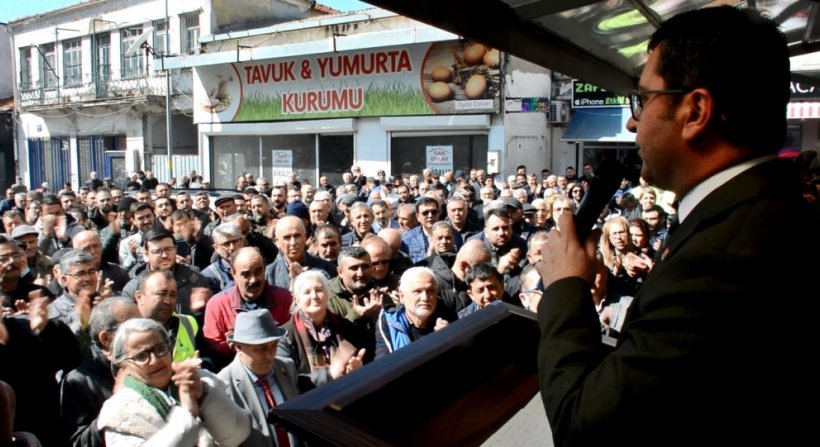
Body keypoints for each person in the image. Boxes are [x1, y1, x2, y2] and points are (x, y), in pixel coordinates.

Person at [537, 7, 818, 446]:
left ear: (696, 111)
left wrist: (566, 288)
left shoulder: (725, 258)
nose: (632, 121)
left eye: (644, 99)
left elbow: (582, 426)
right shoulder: (763, 211)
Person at [98, 318, 251, 446]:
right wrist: (187, 414)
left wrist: (204, 395)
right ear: (124, 365)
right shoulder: (117, 411)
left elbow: (238, 435)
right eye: (141, 356)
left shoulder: (198, 378)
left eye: (160, 349)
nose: (155, 360)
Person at [60, 296, 140, 447]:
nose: (144, 333)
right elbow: (78, 442)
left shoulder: (149, 363)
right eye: (133, 328)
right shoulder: (77, 381)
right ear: (106, 338)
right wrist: (116, 407)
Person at [218, 309, 301, 447]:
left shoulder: (286, 367)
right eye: (261, 348)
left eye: (274, 345)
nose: (270, 355)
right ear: (238, 347)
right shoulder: (224, 386)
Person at [277, 271, 369, 392]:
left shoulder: (346, 327)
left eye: (319, 290)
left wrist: (353, 369)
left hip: (347, 393)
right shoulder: (284, 336)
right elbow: (287, 379)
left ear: (328, 294)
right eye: (307, 292)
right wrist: (329, 374)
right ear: (296, 299)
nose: (314, 296)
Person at [374, 267, 455, 359]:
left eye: (430, 291)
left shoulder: (448, 315)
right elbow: (385, 364)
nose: (425, 298)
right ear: (402, 296)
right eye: (417, 291)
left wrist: (449, 339)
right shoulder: (389, 321)